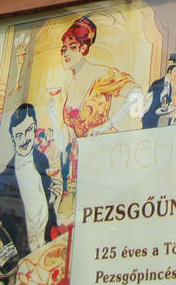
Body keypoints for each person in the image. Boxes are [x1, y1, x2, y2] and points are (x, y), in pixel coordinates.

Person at [47, 17, 143, 182]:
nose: (66, 54)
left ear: (83, 48)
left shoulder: (101, 75)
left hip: (108, 154)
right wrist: (55, 120)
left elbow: (136, 92)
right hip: (82, 164)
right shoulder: (68, 89)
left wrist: (108, 124)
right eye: (63, 49)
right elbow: (63, 144)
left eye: (72, 47)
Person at [0, 103, 58, 263]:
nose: (24, 140)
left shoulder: (43, 162)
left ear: (35, 128)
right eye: (18, 135)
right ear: (12, 138)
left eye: (28, 130)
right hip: (21, 268)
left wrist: (54, 201)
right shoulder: (0, 184)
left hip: (46, 260)